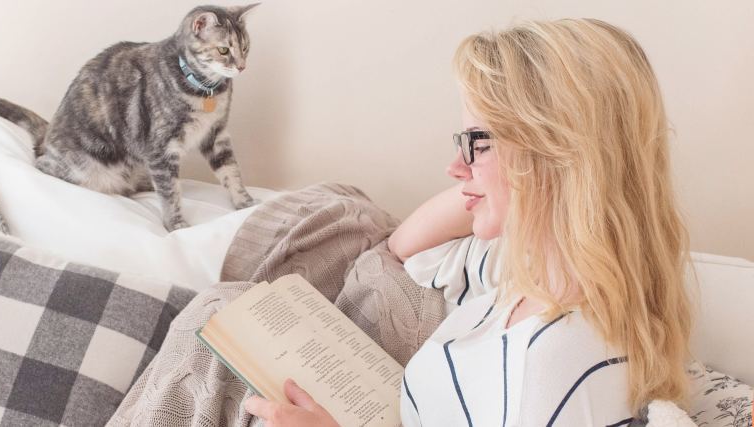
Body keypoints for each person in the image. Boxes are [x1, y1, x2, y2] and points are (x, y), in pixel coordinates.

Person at [245, 18, 693, 426]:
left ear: (556, 155)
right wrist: (504, 185)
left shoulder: (552, 365)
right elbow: (406, 250)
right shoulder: (524, 271)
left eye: (478, 141)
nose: (455, 167)